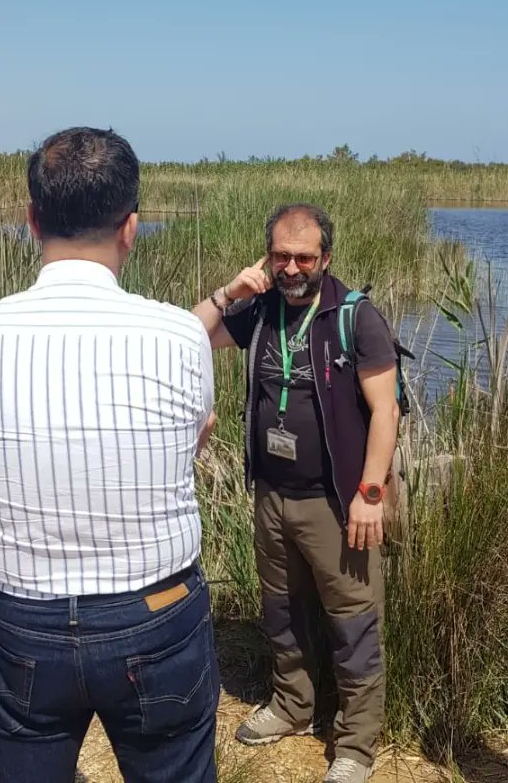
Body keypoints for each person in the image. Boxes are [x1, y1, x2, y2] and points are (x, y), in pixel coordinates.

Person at [0, 127, 219, 783]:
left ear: (32, 220)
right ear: (131, 228)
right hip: (154, 609)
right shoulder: (180, 332)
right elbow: (195, 437)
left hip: (21, 615)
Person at [193, 203, 399, 783]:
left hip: (338, 503)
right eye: (280, 256)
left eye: (303, 258)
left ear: (325, 258)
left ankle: (356, 744)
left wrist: (370, 492)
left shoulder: (355, 317)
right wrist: (228, 292)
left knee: (353, 622)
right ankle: (292, 706)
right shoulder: (260, 310)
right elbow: (185, 334)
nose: (290, 268)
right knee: (282, 610)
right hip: (271, 496)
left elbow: (386, 412)